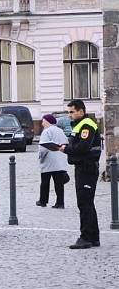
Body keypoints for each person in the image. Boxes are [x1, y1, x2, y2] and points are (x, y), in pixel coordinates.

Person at [58, 100, 102, 249]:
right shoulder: (79, 125)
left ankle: (85, 238)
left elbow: (83, 146)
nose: (69, 115)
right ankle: (94, 237)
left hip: (87, 168)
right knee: (87, 203)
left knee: (84, 203)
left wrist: (66, 149)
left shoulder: (87, 124)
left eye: (72, 112)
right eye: (69, 112)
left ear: (81, 111)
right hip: (82, 167)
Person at [37, 114, 69, 208]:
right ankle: (60, 203)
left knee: (44, 183)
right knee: (59, 184)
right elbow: (66, 143)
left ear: (47, 121)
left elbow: (43, 147)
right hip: (59, 161)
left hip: (48, 161)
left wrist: (41, 158)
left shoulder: (46, 131)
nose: (42, 123)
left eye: (43, 121)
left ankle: (43, 201)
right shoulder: (60, 130)